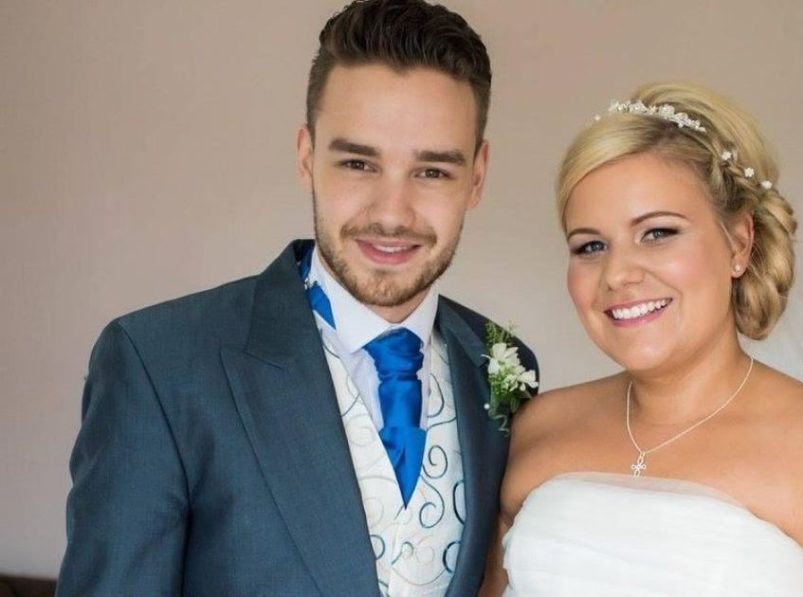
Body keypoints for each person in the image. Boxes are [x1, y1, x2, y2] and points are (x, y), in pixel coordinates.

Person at [57, 1, 537, 595]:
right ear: (307, 157)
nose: (393, 213)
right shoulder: (158, 363)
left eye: (433, 171)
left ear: (478, 176)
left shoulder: (503, 365)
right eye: (358, 163)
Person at [483, 83, 803, 596]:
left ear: (739, 243)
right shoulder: (537, 427)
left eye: (658, 233)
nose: (617, 274)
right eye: (590, 246)